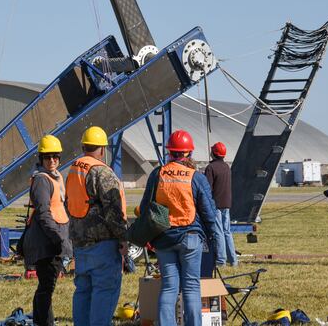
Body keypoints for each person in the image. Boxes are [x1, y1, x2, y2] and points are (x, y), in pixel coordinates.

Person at [138, 130, 216, 326]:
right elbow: (209, 212)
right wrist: (213, 238)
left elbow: (146, 207)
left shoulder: (158, 174)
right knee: (191, 287)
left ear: (169, 152)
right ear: (188, 153)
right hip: (190, 238)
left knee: (169, 288)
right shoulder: (196, 177)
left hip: (164, 238)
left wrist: (147, 235)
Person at [64, 126, 128, 326]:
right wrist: (123, 238)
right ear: (102, 149)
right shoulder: (102, 172)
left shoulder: (74, 169)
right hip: (103, 244)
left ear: (84, 146)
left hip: (80, 242)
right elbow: (114, 211)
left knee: (83, 290)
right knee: (105, 290)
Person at [21, 135, 71, 326]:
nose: (52, 160)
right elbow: (43, 213)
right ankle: (45, 322)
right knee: (47, 286)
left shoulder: (55, 177)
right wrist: (57, 238)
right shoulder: (42, 180)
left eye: (55, 156)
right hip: (47, 241)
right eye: (47, 156)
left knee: (45, 286)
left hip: (51, 238)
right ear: (41, 158)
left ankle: (40, 321)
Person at [205, 141, 237, 267]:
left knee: (218, 232)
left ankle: (221, 261)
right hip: (226, 204)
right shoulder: (227, 167)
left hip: (216, 205)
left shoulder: (211, 168)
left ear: (214, 153)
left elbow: (207, 189)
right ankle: (233, 260)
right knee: (227, 232)